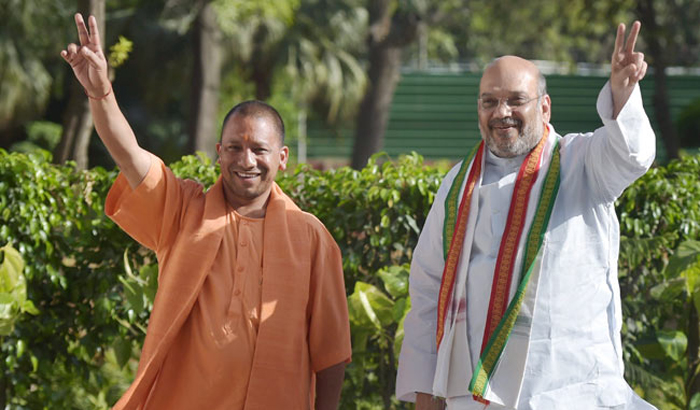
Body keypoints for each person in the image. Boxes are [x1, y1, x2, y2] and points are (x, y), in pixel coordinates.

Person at [61, 13, 351, 410]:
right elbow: (129, 155)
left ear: (281, 158)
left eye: (259, 150)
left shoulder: (311, 237)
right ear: (219, 153)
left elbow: (331, 349)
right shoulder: (183, 209)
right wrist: (101, 93)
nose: (245, 160)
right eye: (234, 147)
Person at [396, 22, 657, 410]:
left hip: (572, 392)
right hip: (472, 396)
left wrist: (622, 94)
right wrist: (426, 397)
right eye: (489, 101)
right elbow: (427, 292)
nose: (502, 112)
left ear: (545, 106)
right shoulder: (457, 185)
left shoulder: (581, 162)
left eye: (516, 99)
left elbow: (631, 155)